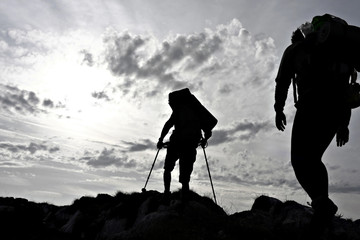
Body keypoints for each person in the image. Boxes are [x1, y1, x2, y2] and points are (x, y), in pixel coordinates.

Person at [274, 17, 356, 225]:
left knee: (300, 161)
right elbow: (344, 88)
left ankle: (321, 204)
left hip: (311, 107)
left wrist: (278, 108)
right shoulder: (338, 52)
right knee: (314, 159)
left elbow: (282, 81)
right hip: (336, 111)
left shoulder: (295, 50)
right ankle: (323, 206)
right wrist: (344, 123)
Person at [157, 89, 213, 201]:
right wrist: (204, 140)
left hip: (176, 143)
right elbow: (208, 131)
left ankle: (166, 193)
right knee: (185, 175)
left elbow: (168, 125)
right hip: (190, 146)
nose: (170, 104)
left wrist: (160, 140)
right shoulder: (197, 112)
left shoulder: (178, 110)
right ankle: (185, 198)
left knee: (168, 168)